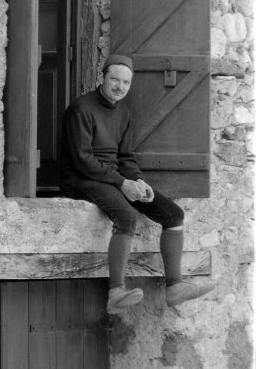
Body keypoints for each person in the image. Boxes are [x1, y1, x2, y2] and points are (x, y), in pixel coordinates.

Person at [60, 54, 215, 314]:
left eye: (126, 82)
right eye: (115, 80)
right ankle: (116, 292)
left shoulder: (123, 112)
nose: (120, 87)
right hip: (79, 178)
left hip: (112, 178)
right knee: (127, 216)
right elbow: (82, 160)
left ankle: (175, 288)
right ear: (103, 77)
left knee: (174, 215)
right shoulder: (81, 108)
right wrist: (122, 183)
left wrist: (139, 180)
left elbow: (126, 158)